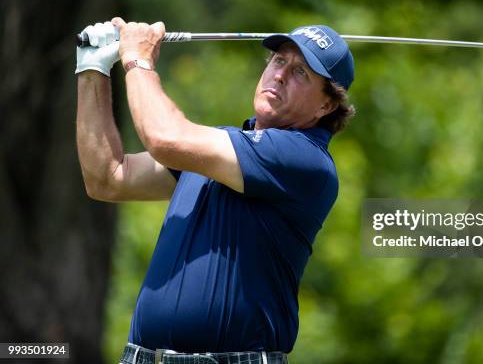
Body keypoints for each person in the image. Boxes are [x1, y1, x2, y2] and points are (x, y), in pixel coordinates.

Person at [75, 18, 355, 364]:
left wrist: (137, 60)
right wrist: (92, 68)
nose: (280, 74)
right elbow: (108, 177)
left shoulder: (304, 160)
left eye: (301, 73)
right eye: (279, 60)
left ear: (327, 106)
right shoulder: (219, 151)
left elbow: (166, 138)